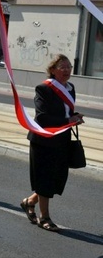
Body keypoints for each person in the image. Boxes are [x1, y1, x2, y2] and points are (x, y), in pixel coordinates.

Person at [20, 54, 84, 232]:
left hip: (62, 139)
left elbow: (64, 112)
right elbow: (42, 117)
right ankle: (44, 217)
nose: (66, 70)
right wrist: (68, 120)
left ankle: (29, 202)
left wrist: (75, 117)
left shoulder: (70, 88)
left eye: (69, 66)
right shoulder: (43, 88)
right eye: (62, 67)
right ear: (53, 70)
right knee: (45, 178)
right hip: (43, 139)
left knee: (56, 178)